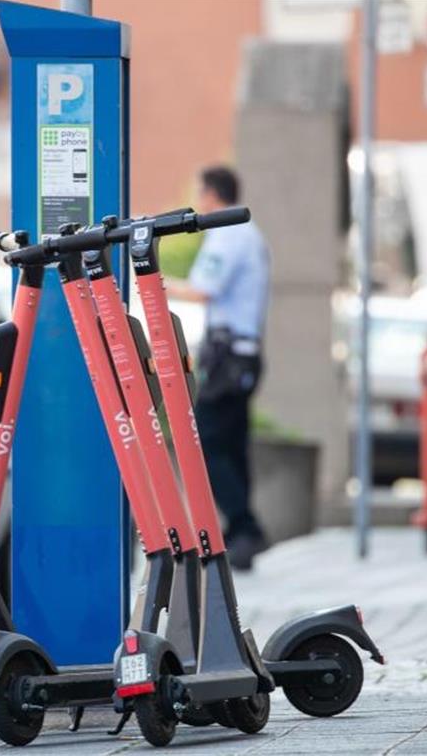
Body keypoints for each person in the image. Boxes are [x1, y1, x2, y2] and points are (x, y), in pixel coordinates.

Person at [166, 165, 271, 570]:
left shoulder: (228, 234)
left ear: (212, 195)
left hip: (229, 356)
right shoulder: (248, 232)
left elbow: (203, 289)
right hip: (241, 354)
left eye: (200, 192)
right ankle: (241, 530)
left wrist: (152, 280)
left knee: (207, 438)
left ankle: (244, 527)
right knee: (231, 443)